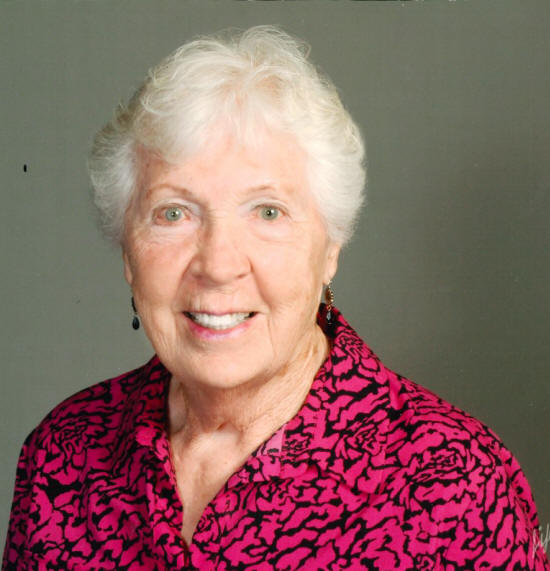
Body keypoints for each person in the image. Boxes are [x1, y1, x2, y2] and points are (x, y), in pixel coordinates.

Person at [2, 25, 548, 571]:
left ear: (330, 246)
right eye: (173, 213)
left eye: (268, 212)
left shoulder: (454, 486)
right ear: (128, 250)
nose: (218, 265)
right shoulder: (63, 454)